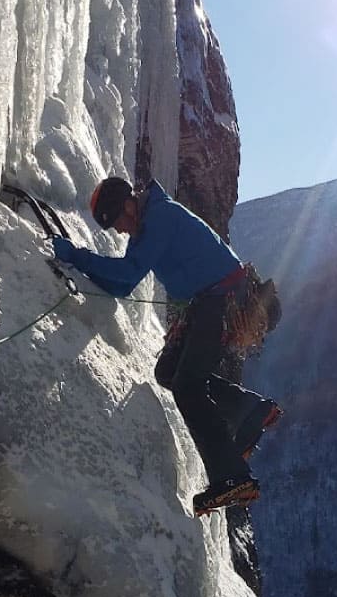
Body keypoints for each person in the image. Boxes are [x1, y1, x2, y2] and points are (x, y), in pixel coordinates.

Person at [51, 176, 282, 511]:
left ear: (130, 202)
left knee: (187, 387)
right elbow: (122, 286)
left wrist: (77, 256)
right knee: (169, 371)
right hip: (216, 298)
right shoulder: (147, 223)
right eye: (116, 225)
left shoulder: (160, 216)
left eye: (121, 218)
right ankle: (250, 411)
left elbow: (128, 273)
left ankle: (232, 477)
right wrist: (80, 263)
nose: (122, 228)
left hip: (219, 299)